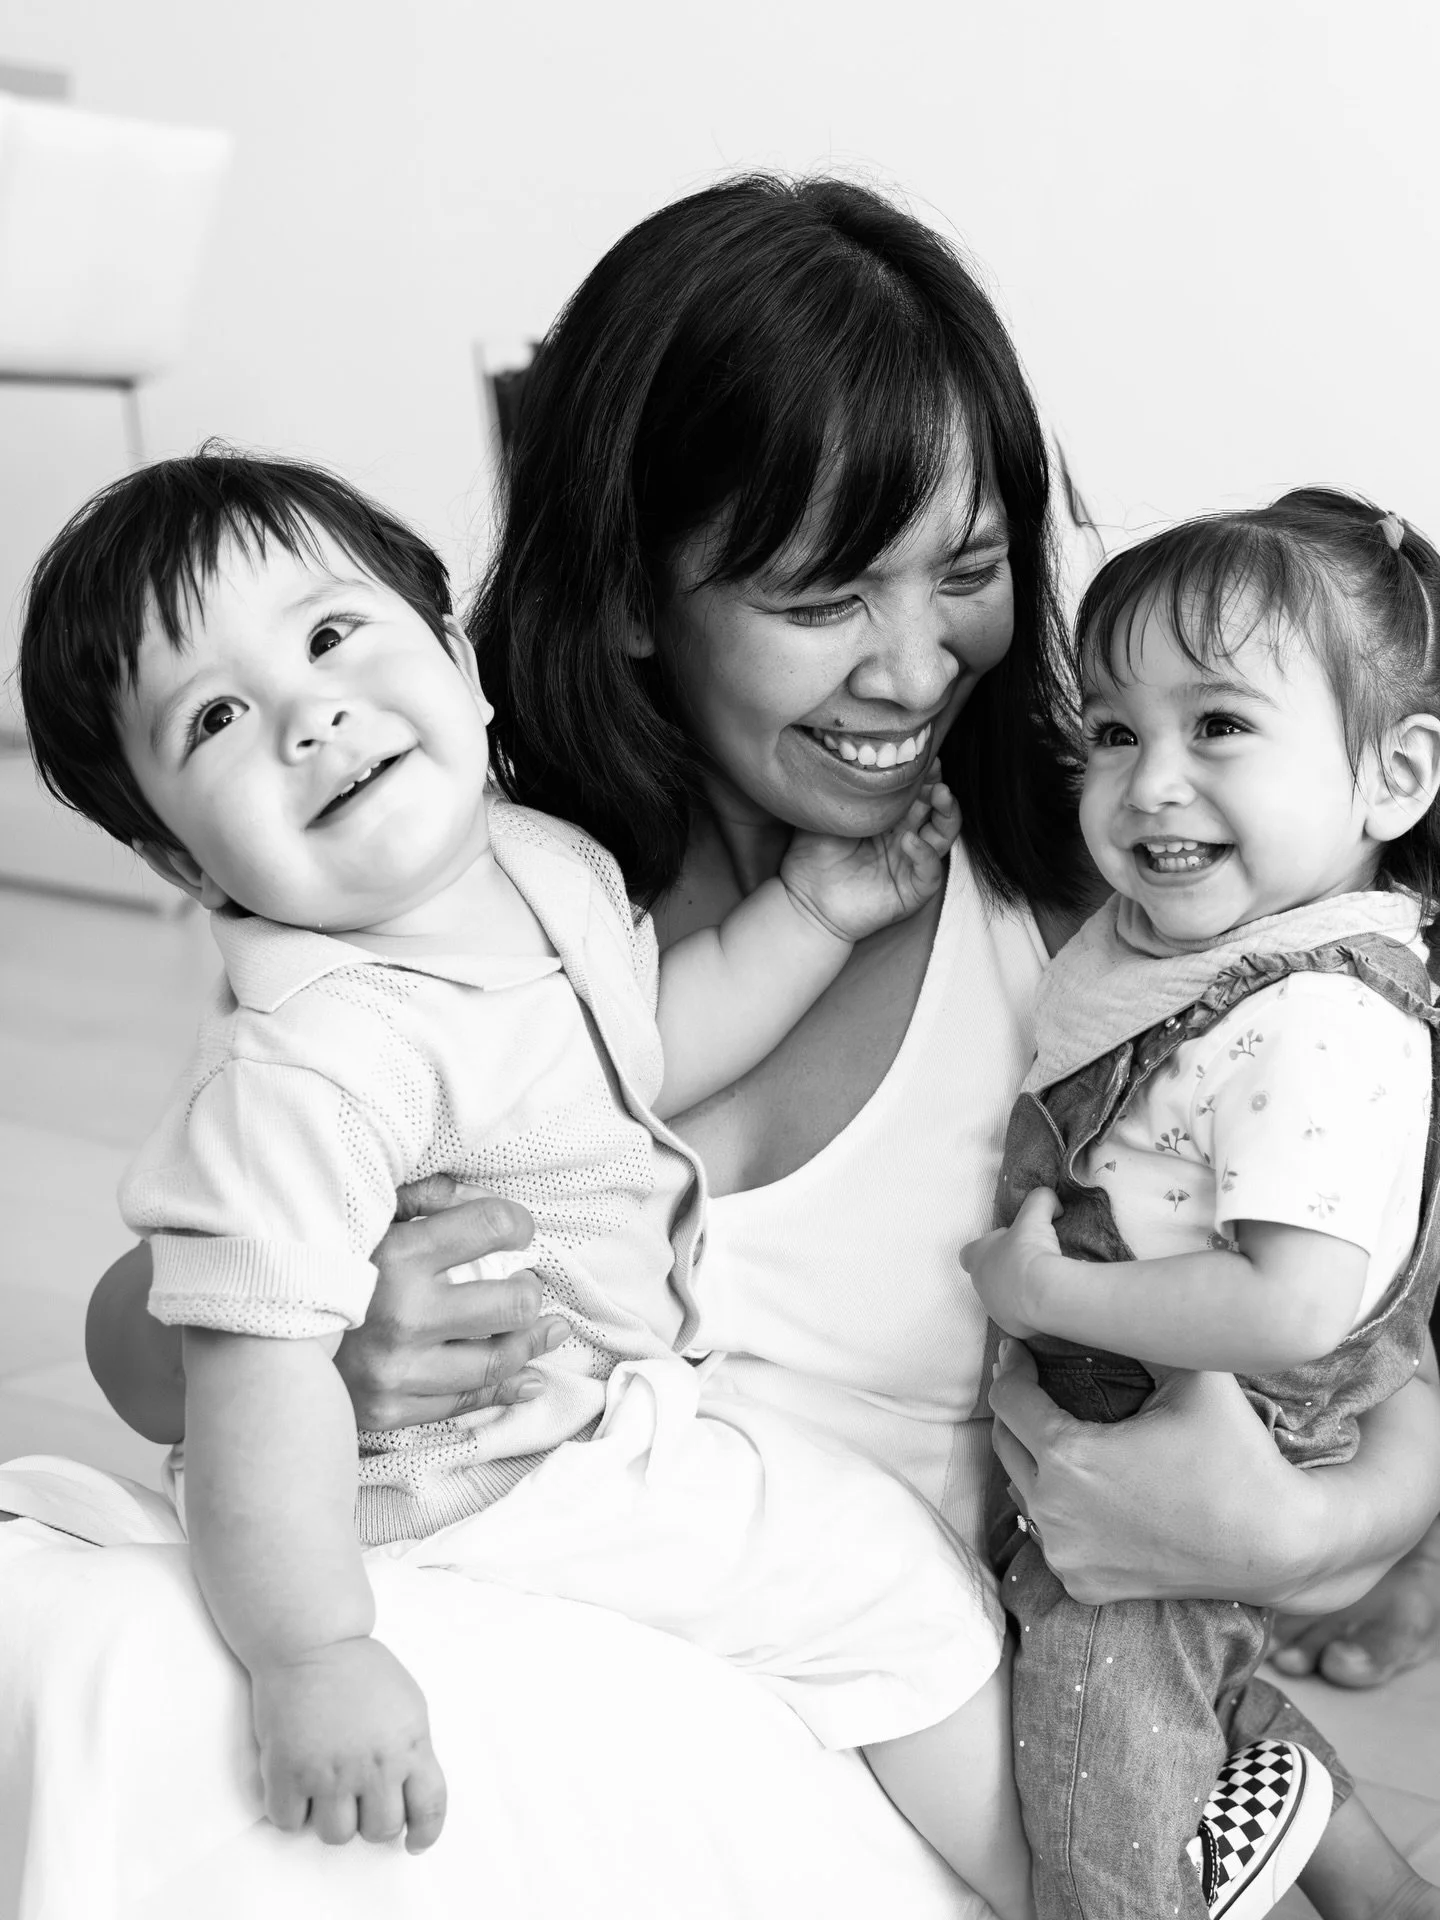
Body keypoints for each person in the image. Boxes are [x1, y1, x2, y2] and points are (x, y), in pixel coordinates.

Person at [5, 176, 1439, 1920]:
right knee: (79, 1650)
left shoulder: (1105, 925)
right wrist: (340, 1351)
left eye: (970, 573)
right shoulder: (440, 875)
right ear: (631, 597)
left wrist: (1315, 1533)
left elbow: (1369, 1300)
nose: (914, 666)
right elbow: (189, 1293)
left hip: (857, 1722)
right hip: (472, 1591)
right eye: (825, 594)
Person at [16, 447, 1047, 1914]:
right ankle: (1050, 1889)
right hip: (473, 1488)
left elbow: (646, 1047)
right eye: (221, 718)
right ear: (175, 858)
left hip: (587, 1422)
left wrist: (816, 911)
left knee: (886, 1573)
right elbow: (259, 1378)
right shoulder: (316, 1061)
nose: (312, 718)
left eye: (329, 638)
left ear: (455, 659)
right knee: (892, 1587)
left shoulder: (539, 865)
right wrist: (315, 1652)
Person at [965, 491, 1440, 1919]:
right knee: (1163, 1700)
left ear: (1393, 779)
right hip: (1134, 1411)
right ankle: (1359, 1872)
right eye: (1116, 731)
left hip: (1201, 1430)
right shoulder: (1188, 953)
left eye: (1220, 726)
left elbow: (1295, 1302)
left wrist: (1049, 1296)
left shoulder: (1322, 1017)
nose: (1151, 780)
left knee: (1095, 1769)